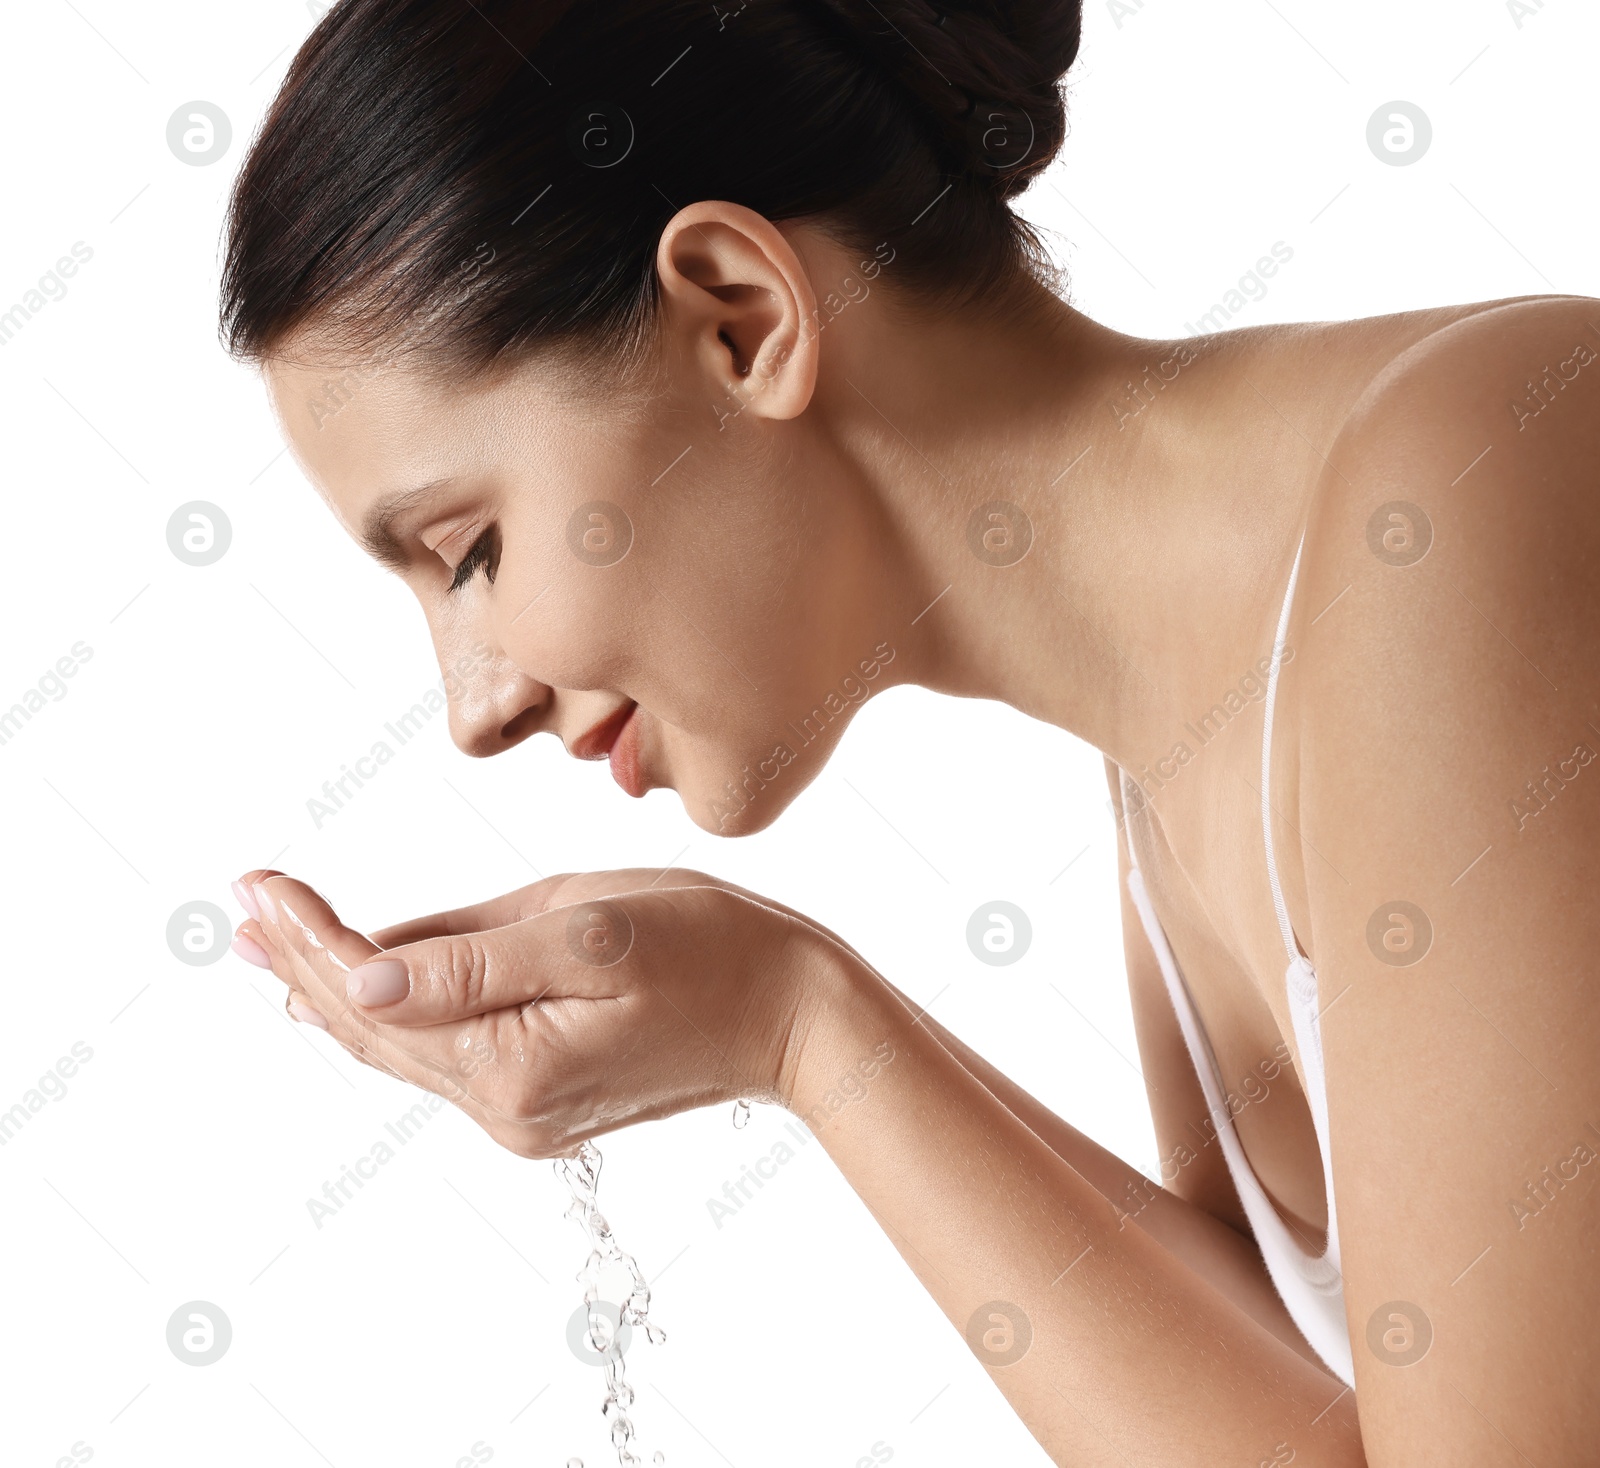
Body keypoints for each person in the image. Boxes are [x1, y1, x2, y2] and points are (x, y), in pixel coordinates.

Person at [220, 0, 1600, 1460]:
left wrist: (805, 1027)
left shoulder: (1466, 497)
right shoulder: (1174, 790)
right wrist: (795, 1019)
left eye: (470, 552)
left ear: (740, 319)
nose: (474, 708)